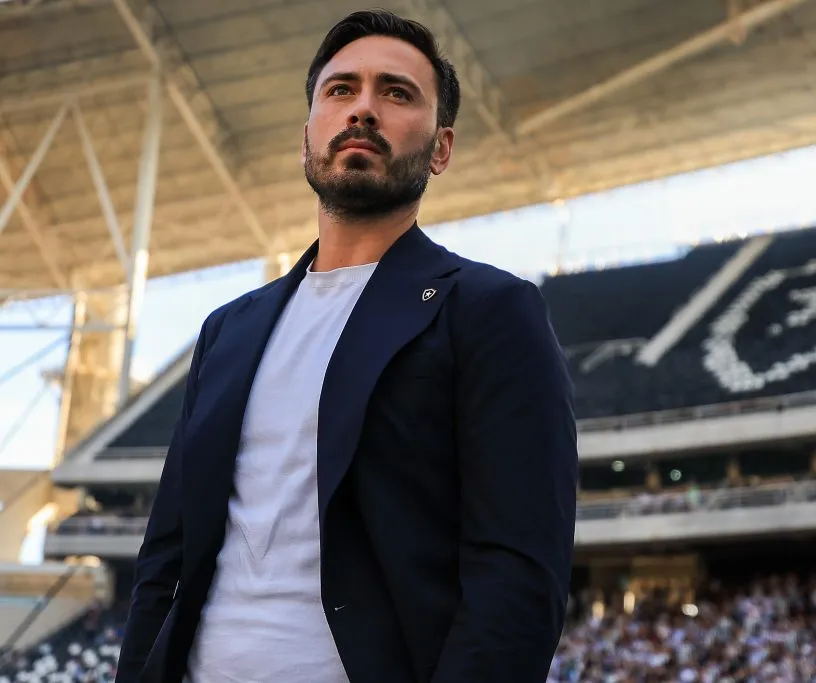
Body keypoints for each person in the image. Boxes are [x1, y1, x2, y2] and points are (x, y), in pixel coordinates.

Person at [115, 10, 578, 683]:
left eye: (396, 93)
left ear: (441, 148)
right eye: (340, 91)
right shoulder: (227, 329)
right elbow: (166, 558)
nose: (363, 108)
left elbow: (517, 573)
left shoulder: (489, 310)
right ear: (307, 138)